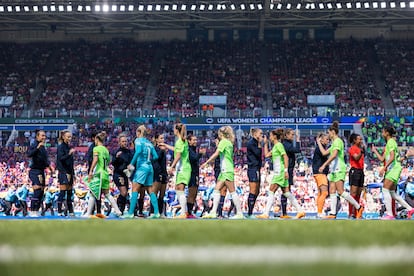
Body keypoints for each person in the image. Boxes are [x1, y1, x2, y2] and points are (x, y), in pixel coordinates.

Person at [256, 129, 305, 219]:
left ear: (275, 136)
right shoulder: (276, 146)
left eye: (270, 135)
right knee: (286, 192)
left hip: (280, 172)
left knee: (271, 191)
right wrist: (266, 144)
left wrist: (286, 171)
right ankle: (300, 211)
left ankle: (266, 213)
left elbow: (285, 157)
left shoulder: (279, 145)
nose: (269, 137)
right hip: (280, 172)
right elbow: (267, 155)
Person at [319, 121, 363, 219]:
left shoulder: (338, 141)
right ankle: (333, 213)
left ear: (333, 132)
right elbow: (324, 153)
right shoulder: (334, 143)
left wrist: (324, 165)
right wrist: (318, 141)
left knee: (341, 191)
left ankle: (358, 207)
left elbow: (334, 155)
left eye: (329, 132)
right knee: (332, 191)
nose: (328, 135)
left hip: (339, 168)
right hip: (334, 169)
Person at [201, 126, 244, 219]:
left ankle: (239, 213)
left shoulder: (223, 142)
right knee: (217, 190)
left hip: (226, 170)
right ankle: (213, 212)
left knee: (232, 192)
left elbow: (216, 153)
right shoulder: (228, 142)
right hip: (225, 169)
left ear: (221, 134)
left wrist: (206, 162)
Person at [372, 126, 414, 220]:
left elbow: (391, 157)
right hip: (394, 169)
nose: (382, 134)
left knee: (385, 190)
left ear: (387, 133)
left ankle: (390, 215)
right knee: (391, 193)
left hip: (393, 169)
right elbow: (383, 159)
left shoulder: (391, 142)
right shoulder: (389, 143)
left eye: (383, 132)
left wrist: (384, 168)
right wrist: (375, 151)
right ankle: (410, 209)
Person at [122, 125, 160, 219]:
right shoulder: (149, 143)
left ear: (138, 132)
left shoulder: (138, 140)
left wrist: (131, 164)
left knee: (135, 189)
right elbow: (155, 157)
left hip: (141, 167)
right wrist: (148, 162)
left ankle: (130, 213)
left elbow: (138, 151)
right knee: (150, 190)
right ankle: (156, 213)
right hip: (149, 167)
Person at [86, 131, 122, 218]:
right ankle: (118, 211)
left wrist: (91, 171)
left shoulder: (96, 148)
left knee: (92, 193)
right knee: (107, 194)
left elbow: (95, 160)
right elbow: (109, 161)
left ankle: (88, 214)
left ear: (96, 139)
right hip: (105, 174)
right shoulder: (106, 150)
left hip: (99, 173)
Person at [162, 123, 191, 219]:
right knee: (178, 189)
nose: (173, 131)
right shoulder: (183, 141)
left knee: (180, 189)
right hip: (184, 168)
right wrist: (166, 145)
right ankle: (184, 212)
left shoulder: (179, 142)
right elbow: (177, 150)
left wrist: (171, 166)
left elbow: (178, 156)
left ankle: (183, 212)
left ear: (176, 130)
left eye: (174, 129)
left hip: (183, 168)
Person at [27, 129, 53, 217]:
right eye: (42, 135)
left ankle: (36, 210)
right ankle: (32, 210)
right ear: (37, 136)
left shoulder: (43, 147)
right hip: (34, 170)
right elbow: (29, 154)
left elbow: (43, 159)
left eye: (45, 136)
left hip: (41, 170)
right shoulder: (34, 144)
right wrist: (37, 147)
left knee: (41, 191)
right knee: (37, 190)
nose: (44, 137)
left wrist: (49, 167)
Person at [280, 128, 301, 219]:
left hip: (289, 169)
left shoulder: (286, 144)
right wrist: (298, 139)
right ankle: (287, 212)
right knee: (286, 191)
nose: (293, 136)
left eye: (293, 134)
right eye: (292, 134)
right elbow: (297, 150)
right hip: (287, 169)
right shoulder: (286, 144)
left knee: (286, 191)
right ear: (286, 135)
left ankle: (284, 212)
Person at [111, 133, 133, 215]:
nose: (125, 143)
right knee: (124, 192)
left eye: (125, 141)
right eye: (123, 141)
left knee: (125, 193)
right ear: (119, 143)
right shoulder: (116, 152)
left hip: (126, 175)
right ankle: (118, 207)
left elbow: (132, 162)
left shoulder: (129, 152)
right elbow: (112, 163)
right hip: (118, 174)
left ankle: (121, 210)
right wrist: (116, 157)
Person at [56, 130, 76, 217]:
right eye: (68, 137)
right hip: (63, 172)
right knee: (62, 192)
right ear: (63, 137)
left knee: (69, 192)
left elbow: (70, 162)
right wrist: (69, 154)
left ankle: (71, 211)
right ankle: (59, 211)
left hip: (70, 172)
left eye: (70, 137)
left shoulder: (68, 147)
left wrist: (73, 173)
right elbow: (61, 158)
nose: (69, 138)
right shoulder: (61, 147)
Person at [187, 134, 206, 218]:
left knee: (194, 194)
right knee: (192, 193)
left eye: (196, 140)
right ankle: (188, 212)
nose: (195, 141)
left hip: (195, 173)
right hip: (191, 174)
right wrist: (200, 154)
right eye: (193, 140)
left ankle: (190, 212)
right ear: (189, 141)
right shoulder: (189, 149)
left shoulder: (193, 149)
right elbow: (193, 159)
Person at [246, 128, 263, 218]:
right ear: (255, 134)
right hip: (253, 168)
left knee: (257, 191)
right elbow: (257, 153)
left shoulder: (255, 143)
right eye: (260, 134)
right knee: (253, 190)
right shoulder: (251, 143)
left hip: (257, 168)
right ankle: (249, 213)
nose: (262, 135)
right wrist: (260, 143)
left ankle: (250, 210)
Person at [348, 133, 365, 218]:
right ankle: (351, 212)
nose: (360, 141)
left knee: (358, 193)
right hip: (355, 171)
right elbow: (356, 158)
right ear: (354, 140)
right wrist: (361, 152)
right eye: (359, 139)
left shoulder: (360, 149)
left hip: (361, 171)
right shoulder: (352, 149)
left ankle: (357, 212)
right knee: (353, 193)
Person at [151, 133, 168, 217]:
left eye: (163, 138)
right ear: (156, 139)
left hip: (164, 173)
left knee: (162, 195)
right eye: (161, 138)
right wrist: (162, 151)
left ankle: (161, 213)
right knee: (154, 193)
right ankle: (152, 212)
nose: (163, 140)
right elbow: (155, 158)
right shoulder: (155, 149)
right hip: (157, 173)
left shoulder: (163, 149)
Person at [313, 133, 330, 218]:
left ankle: (319, 211)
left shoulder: (321, 147)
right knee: (324, 192)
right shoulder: (320, 148)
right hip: (320, 172)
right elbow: (324, 154)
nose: (328, 141)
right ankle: (319, 212)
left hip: (318, 172)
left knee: (320, 193)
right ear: (321, 140)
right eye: (326, 139)